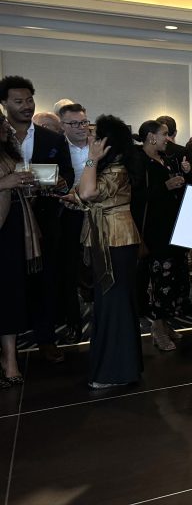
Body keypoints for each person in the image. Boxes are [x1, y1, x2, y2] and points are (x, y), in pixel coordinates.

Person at [66, 115, 144, 389]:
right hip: (110, 238)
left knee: (113, 304)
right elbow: (85, 193)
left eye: (95, 135)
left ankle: (115, 371)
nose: (90, 138)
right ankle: (121, 367)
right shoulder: (112, 168)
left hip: (116, 240)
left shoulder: (116, 169)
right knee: (111, 303)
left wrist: (91, 157)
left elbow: (87, 193)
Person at [0, 75, 73, 363]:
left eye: (29, 100)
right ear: (4, 104)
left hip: (44, 219)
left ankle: (46, 339)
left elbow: (67, 176)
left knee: (46, 280)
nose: (26, 106)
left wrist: (53, 183)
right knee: (8, 284)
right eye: (18, 101)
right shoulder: (2, 138)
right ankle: (10, 346)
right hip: (6, 221)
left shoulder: (52, 138)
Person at [133, 120, 192, 351]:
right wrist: (165, 187)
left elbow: (178, 189)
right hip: (155, 231)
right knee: (161, 279)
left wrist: (184, 176)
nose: (168, 139)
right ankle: (157, 327)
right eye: (164, 134)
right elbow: (136, 196)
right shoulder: (140, 162)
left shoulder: (165, 159)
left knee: (175, 276)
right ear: (150, 136)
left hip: (173, 227)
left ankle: (165, 322)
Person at [0, 112, 39, 388]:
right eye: (0, 123)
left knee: (11, 293)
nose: (6, 126)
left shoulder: (8, 152)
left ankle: (10, 357)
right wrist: (4, 183)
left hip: (12, 228)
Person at [58, 103, 91, 342]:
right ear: (63, 126)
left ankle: (99, 315)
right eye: (74, 123)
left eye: (83, 122)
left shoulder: (99, 147)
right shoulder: (58, 148)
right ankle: (72, 319)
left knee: (96, 265)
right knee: (69, 266)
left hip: (97, 211)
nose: (81, 127)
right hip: (68, 212)